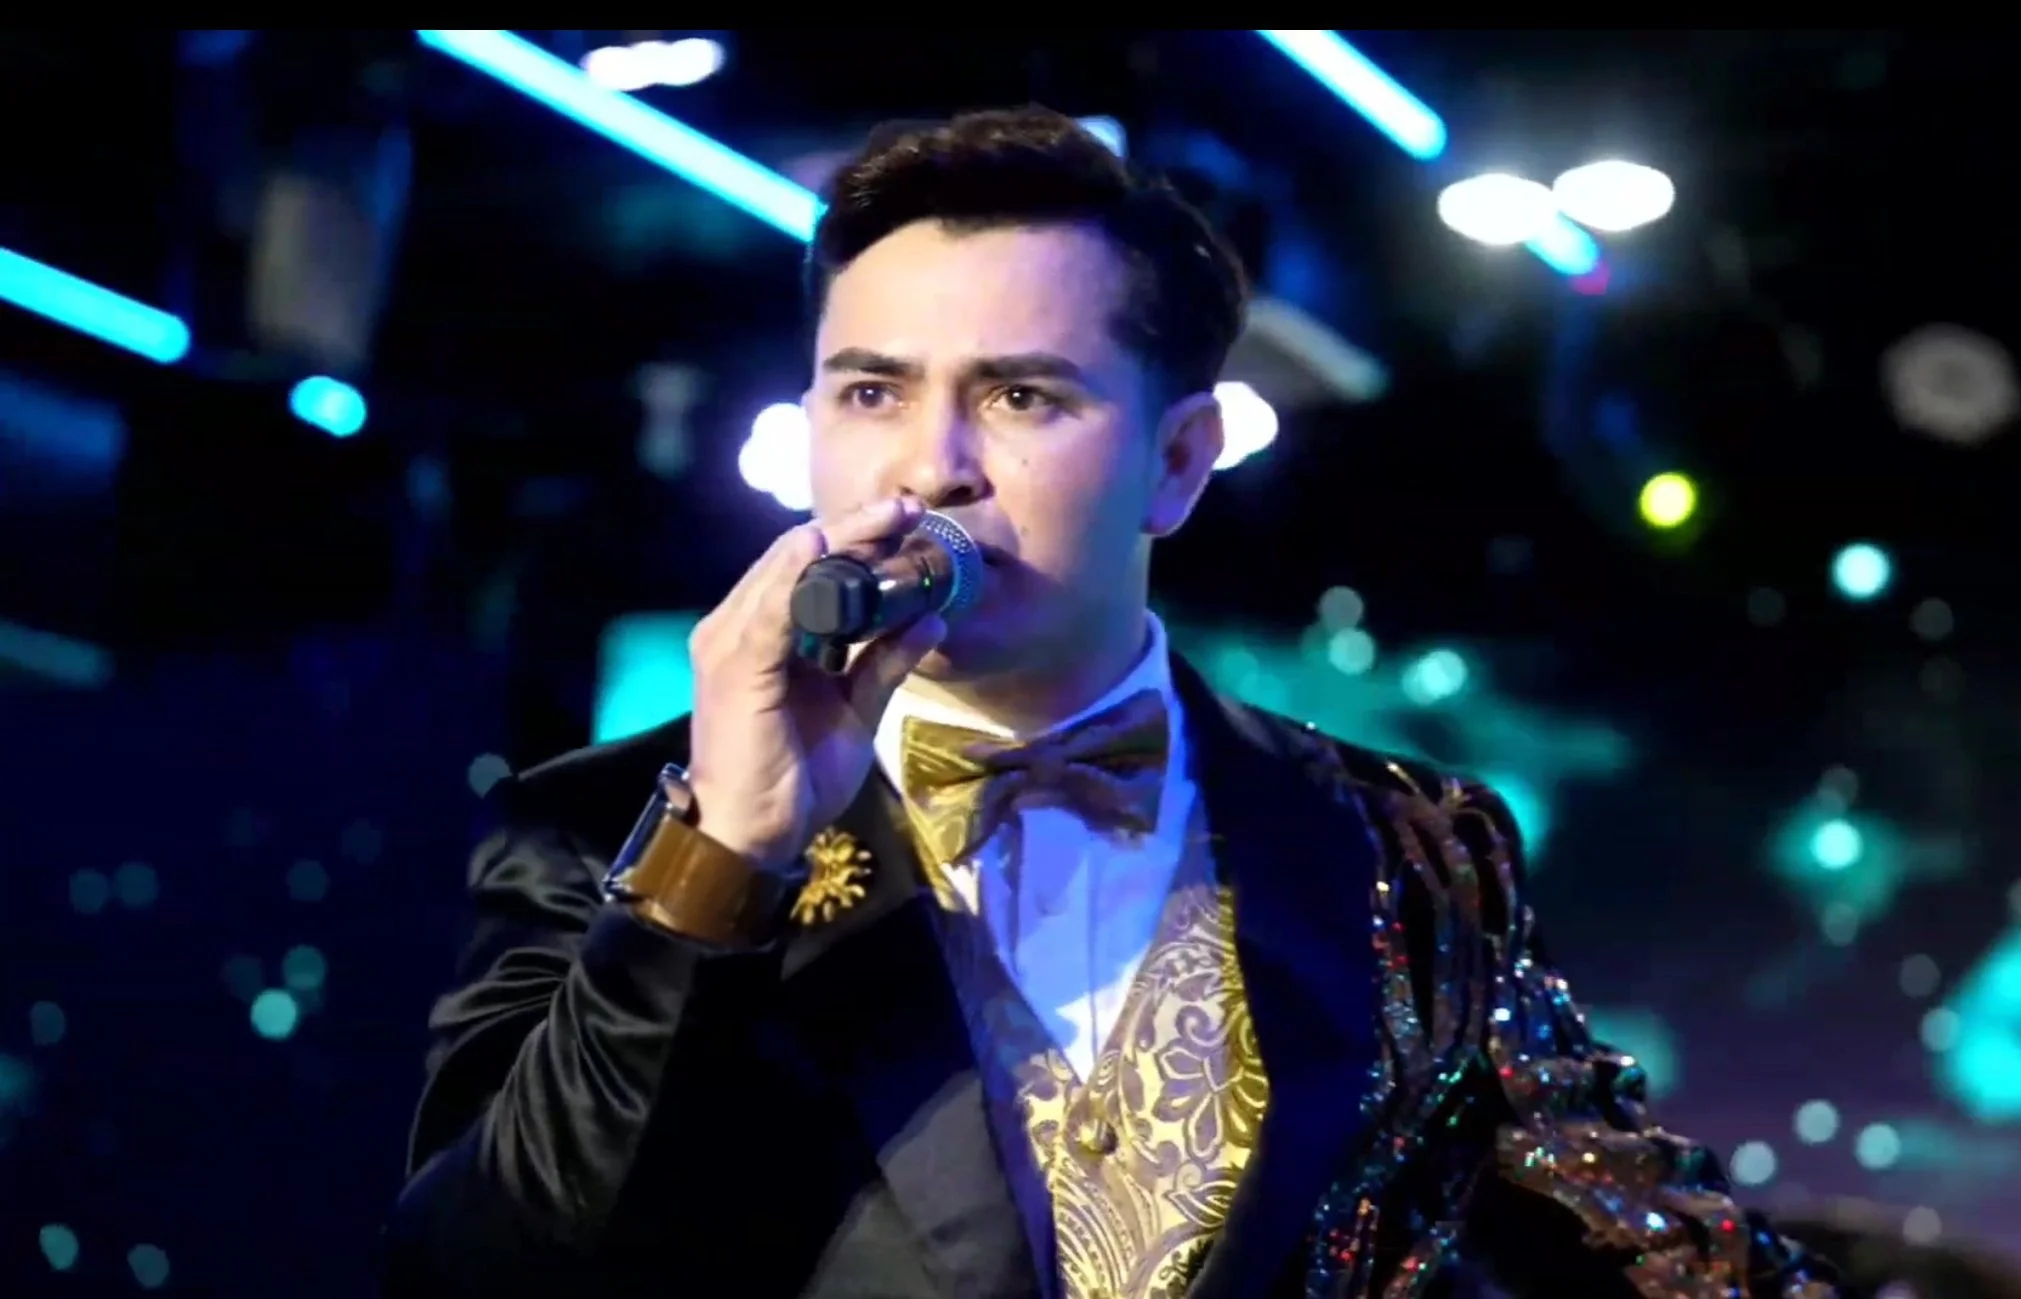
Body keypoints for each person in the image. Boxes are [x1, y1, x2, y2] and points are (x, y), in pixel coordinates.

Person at [381, 106, 1847, 1299]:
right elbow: (479, 1274)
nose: (928, 467)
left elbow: (1636, 1233)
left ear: (1179, 459)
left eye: (1021, 397)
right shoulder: (600, 829)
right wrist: (725, 858)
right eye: (870, 392)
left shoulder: (1409, 843)